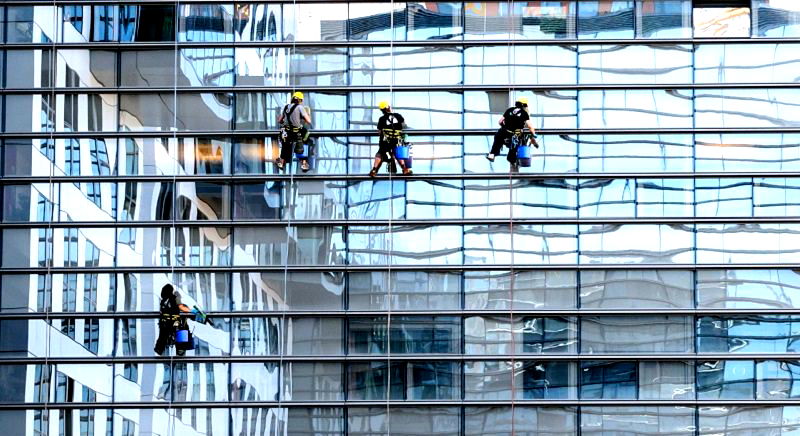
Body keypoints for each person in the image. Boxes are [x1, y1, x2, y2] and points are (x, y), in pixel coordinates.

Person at [154, 284, 207, 356]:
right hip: (176, 325)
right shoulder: (173, 300)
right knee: (183, 327)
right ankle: (181, 348)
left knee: (163, 336)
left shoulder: (163, 302)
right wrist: (195, 313)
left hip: (165, 325)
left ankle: (159, 349)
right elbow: (183, 308)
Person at [486, 97, 539, 166]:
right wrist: (533, 133)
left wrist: (504, 126)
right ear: (524, 105)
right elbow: (530, 126)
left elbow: (500, 121)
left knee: (497, 140)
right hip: (515, 134)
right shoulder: (524, 113)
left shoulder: (509, 110)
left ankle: (492, 155)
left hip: (504, 131)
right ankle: (511, 159)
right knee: (514, 146)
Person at [370, 101, 412, 177]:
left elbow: (379, 132)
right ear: (389, 107)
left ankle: (374, 170)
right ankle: (405, 169)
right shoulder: (398, 116)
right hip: (396, 140)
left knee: (380, 153)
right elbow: (404, 127)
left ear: (382, 110)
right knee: (397, 153)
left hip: (386, 141)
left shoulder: (382, 119)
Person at [276, 91, 313, 172]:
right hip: (296, 132)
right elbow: (309, 121)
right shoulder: (300, 107)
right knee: (302, 145)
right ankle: (303, 164)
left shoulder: (286, 107)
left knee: (285, 147)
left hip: (286, 132)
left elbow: (280, 120)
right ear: (300, 100)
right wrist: (307, 115)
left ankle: (281, 162)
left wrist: (286, 122)